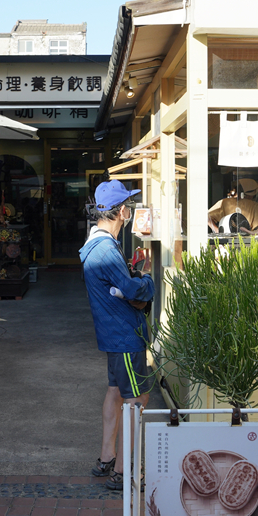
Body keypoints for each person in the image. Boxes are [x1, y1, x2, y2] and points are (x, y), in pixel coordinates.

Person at [79, 180, 155, 491]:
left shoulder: (95, 245)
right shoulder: (107, 249)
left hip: (113, 334)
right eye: (128, 206)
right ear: (121, 211)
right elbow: (133, 290)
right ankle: (125, 470)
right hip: (125, 335)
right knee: (137, 399)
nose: (130, 210)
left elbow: (121, 287)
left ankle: (107, 457)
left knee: (115, 392)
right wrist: (147, 279)